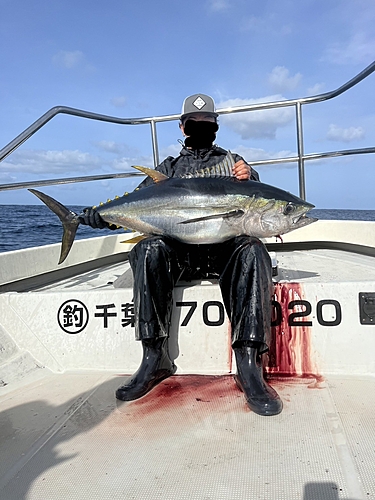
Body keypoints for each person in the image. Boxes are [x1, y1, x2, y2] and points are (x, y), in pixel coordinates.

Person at [81, 94, 282, 416]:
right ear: (182, 126)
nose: (201, 129)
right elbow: (140, 206)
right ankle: (153, 356)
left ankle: (248, 361)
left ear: (216, 127)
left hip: (224, 251)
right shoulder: (168, 168)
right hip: (178, 252)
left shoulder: (235, 162)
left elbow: (257, 202)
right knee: (147, 248)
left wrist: (251, 176)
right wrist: (102, 217)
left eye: (207, 124)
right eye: (194, 124)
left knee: (253, 249)